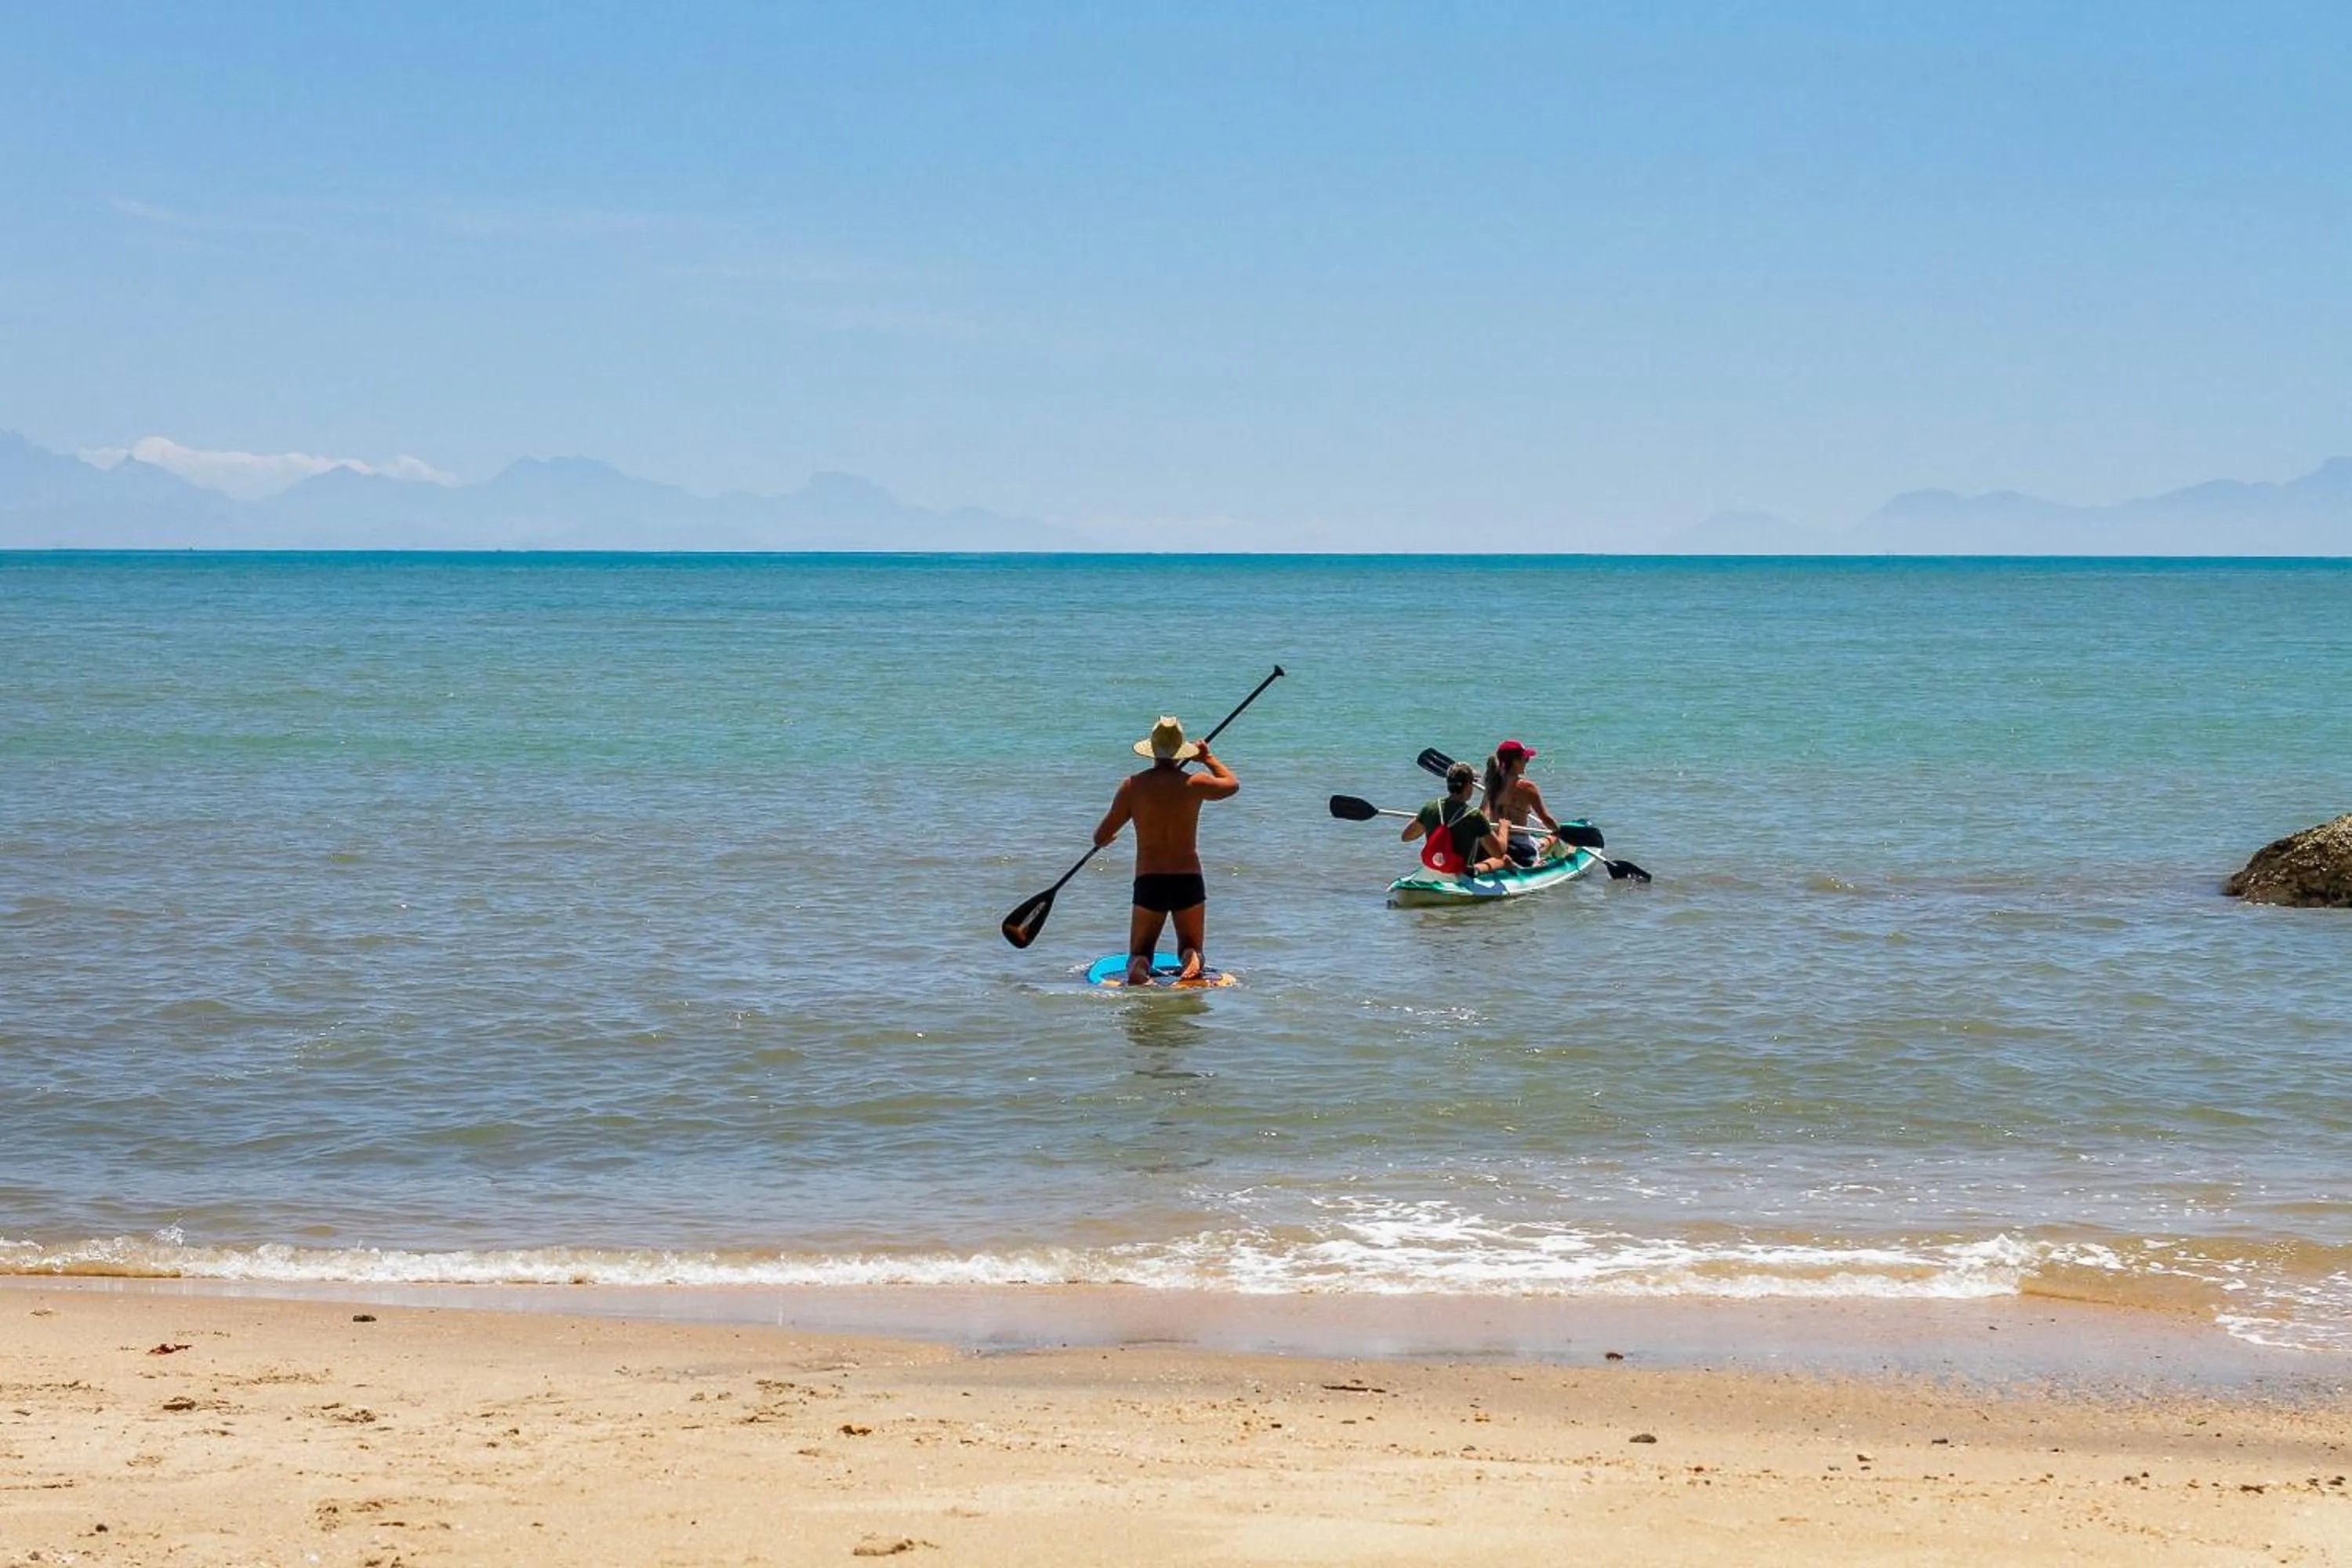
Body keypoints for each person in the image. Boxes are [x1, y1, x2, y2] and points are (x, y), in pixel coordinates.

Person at [1092, 716, 1240, 985]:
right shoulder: (1195, 783)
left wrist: (1107, 838)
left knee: (1140, 951)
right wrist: (1207, 758)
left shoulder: (1133, 786)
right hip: (1189, 878)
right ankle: (1192, 959)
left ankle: (1139, 967)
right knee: (1190, 945)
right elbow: (1232, 784)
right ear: (1180, 751)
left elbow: (1100, 836)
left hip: (1151, 880)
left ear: (1152, 750)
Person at [1402, 760, 1510, 878]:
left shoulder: (1430, 808)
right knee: (1504, 860)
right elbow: (1498, 853)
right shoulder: (1474, 816)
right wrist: (1504, 828)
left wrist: (1425, 817)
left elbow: (1406, 837)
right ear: (1468, 786)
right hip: (1460, 874)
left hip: (1433, 867)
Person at [1482, 739, 1560, 867]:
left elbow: (1481, 813)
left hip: (1495, 841)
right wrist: (1560, 831)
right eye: (1526, 759)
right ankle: (1562, 856)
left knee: (1543, 841)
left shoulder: (1491, 783)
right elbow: (1546, 819)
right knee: (1555, 837)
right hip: (1519, 843)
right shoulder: (1527, 787)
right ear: (1515, 762)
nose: (1526, 763)